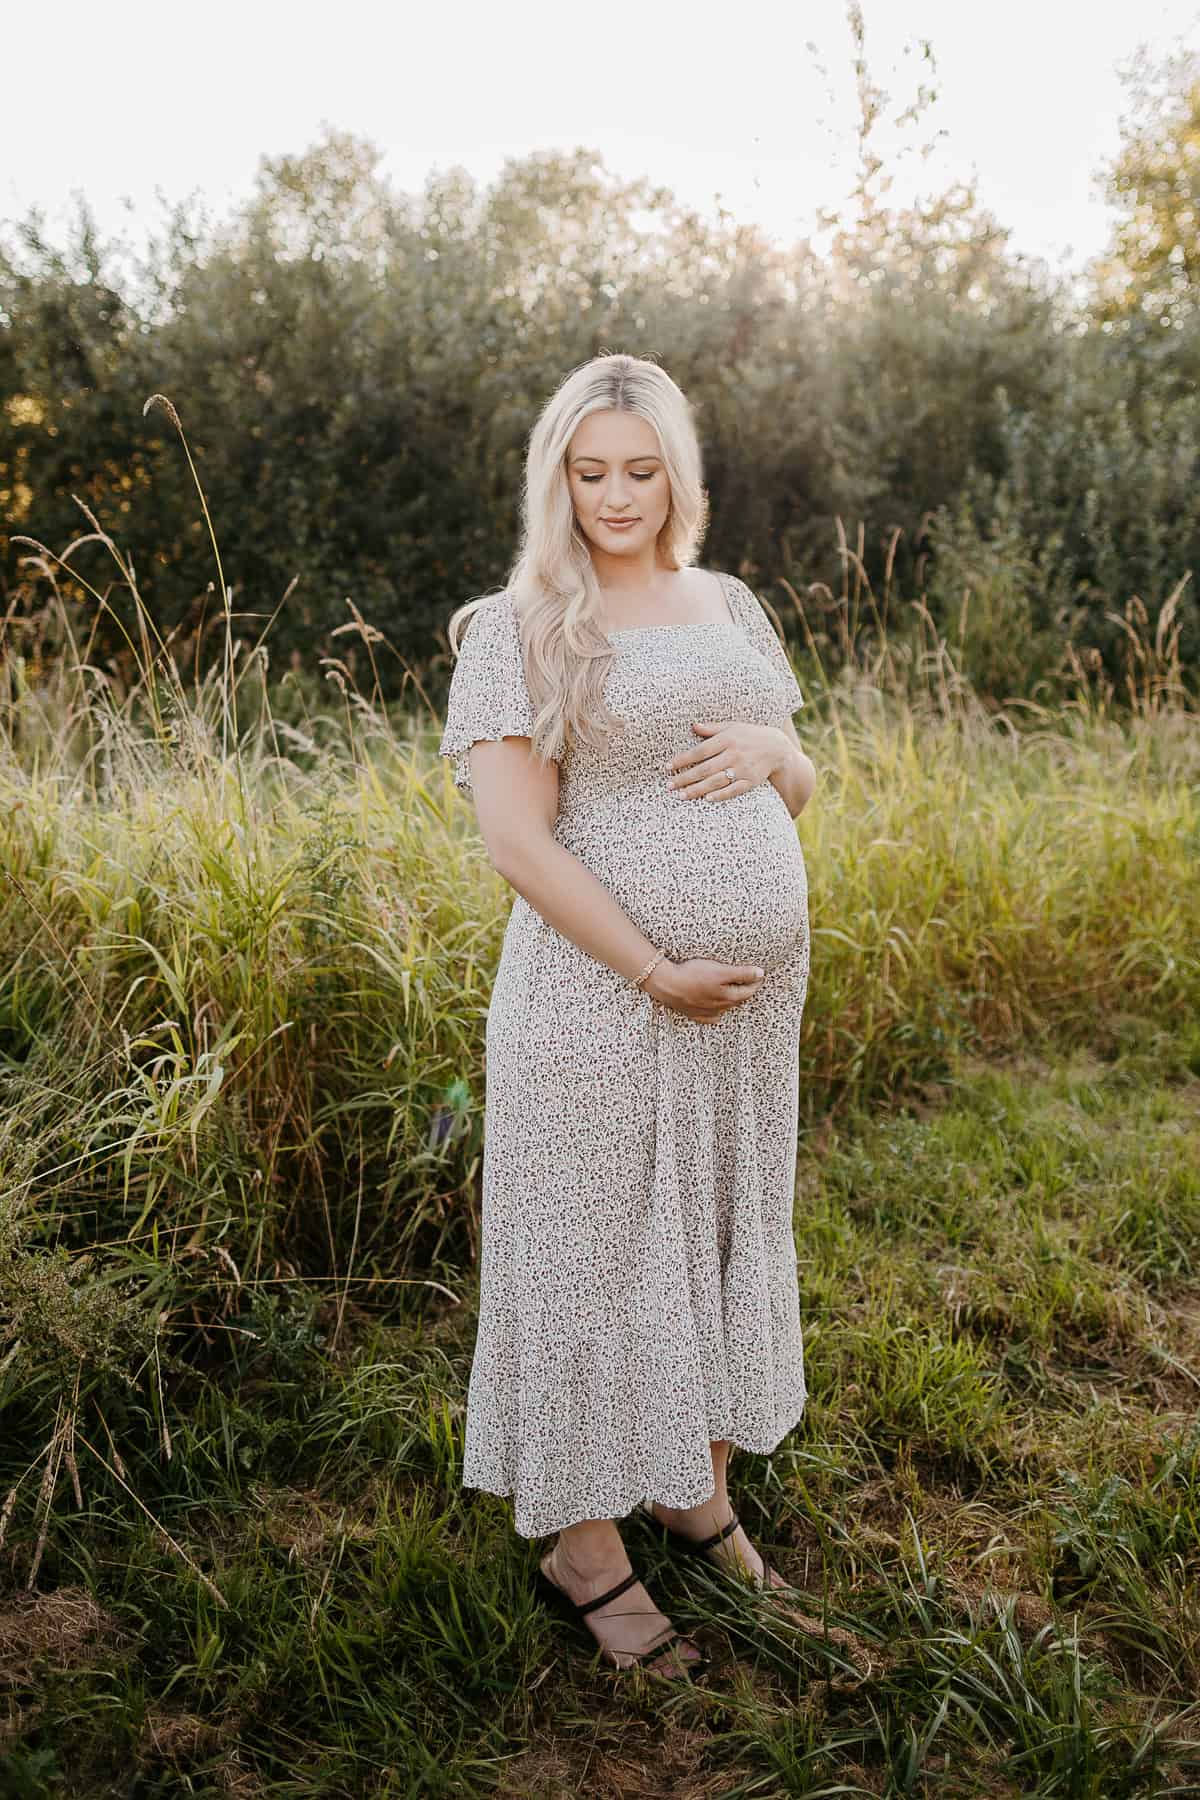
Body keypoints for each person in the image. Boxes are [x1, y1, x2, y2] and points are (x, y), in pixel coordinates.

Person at [438, 351, 817, 1681]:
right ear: (556, 477)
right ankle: (585, 1551)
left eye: (641, 471)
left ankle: (691, 1489)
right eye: (590, 472)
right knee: (593, 1252)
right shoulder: (522, 626)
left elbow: (790, 778)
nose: (616, 496)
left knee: (717, 1230)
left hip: (747, 1023)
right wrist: (656, 971)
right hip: (600, 1008)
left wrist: (786, 757)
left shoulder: (726, 603)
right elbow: (518, 846)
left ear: (678, 475)